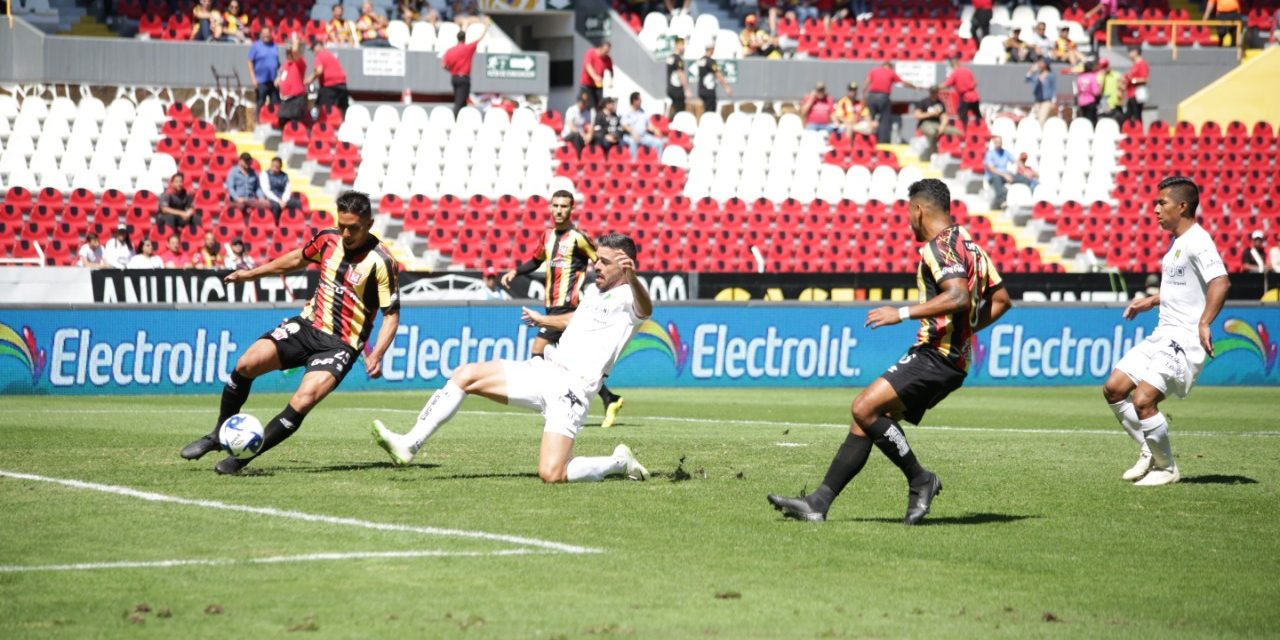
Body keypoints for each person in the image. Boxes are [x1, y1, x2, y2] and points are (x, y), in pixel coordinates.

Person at [767, 179, 1011, 524]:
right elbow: (1001, 301)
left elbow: (958, 296)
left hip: (936, 354)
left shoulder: (938, 248)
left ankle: (921, 479)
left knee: (863, 407)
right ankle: (818, 502)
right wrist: (965, 332)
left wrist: (902, 313)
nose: (908, 221)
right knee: (867, 421)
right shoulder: (970, 247)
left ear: (919, 210)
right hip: (949, 357)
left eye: (908, 213)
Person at [371, 232, 651, 483]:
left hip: (573, 390)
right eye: (597, 260)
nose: (596, 266)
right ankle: (409, 444)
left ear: (625, 265)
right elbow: (577, 319)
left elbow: (646, 309)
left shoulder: (631, 296)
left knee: (552, 474)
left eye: (604, 262)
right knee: (465, 375)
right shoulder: (594, 290)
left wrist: (633, 278)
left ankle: (619, 462)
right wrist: (544, 319)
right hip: (546, 370)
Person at [180, 191, 401, 474]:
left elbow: (391, 315)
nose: (346, 233)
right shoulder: (327, 239)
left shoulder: (382, 262)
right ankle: (217, 434)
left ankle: (240, 459)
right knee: (246, 364)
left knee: (304, 399)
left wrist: (377, 354)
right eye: (341, 225)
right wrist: (251, 274)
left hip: (340, 345)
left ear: (369, 223)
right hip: (306, 326)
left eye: (353, 228)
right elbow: (297, 258)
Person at [1102, 176, 1230, 486]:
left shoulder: (1198, 240)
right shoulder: (1178, 243)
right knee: (1114, 389)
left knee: (1143, 400)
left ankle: (1166, 467)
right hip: (1163, 333)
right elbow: (1186, 288)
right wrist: (1151, 301)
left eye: (1162, 203)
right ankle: (1149, 448)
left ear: (1183, 206)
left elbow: (1220, 281)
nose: (1156, 209)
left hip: (1183, 339)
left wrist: (1204, 323)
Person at [500, 190, 629, 429]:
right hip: (552, 306)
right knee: (572, 363)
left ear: (571, 210)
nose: (559, 211)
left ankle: (550, 401)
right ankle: (609, 398)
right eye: (556, 206)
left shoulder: (579, 238)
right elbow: (536, 260)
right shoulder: (547, 236)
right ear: (551, 208)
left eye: (564, 207)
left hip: (570, 307)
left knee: (538, 350)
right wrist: (515, 272)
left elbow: (600, 260)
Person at [441, 19, 488, 115]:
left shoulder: (450, 50)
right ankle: (455, 120)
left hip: (454, 78)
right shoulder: (467, 48)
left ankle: (460, 119)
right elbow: (479, 39)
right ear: (464, 38)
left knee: (461, 100)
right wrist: (486, 27)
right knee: (460, 102)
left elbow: (443, 65)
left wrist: (451, 70)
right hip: (464, 79)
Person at [864, 60, 915, 144]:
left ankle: (869, 140)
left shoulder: (874, 70)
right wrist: (914, 86)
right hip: (883, 97)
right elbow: (902, 83)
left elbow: (867, 82)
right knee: (884, 120)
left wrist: (863, 94)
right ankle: (882, 141)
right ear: (890, 67)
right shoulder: (890, 72)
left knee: (871, 119)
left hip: (871, 96)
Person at [912, 86, 959, 160]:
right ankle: (932, 154)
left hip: (937, 124)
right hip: (925, 123)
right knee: (932, 132)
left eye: (936, 92)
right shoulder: (924, 102)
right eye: (932, 92)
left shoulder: (940, 103)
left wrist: (942, 126)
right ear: (930, 92)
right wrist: (930, 114)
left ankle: (956, 155)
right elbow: (917, 115)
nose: (934, 94)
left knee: (956, 132)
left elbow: (944, 116)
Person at [984, 135, 1028, 209]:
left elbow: (1016, 161)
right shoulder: (990, 154)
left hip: (1005, 175)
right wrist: (1004, 175)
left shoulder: (1005, 152)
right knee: (996, 178)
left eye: (1000, 142)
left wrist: (1025, 170)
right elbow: (992, 169)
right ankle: (1001, 200)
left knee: (1023, 178)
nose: (999, 143)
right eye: (997, 142)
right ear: (994, 143)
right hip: (994, 176)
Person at [308, 40, 350, 117]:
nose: (313, 52)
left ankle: (326, 125)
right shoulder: (331, 55)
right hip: (342, 85)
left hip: (329, 87)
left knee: (324, 110)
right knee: (342, 110)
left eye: (313, 49)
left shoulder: (320, 56)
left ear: (318, 47)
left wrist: (309, 80)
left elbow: (319, 71)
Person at [225, 152, 272, 221]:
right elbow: (230, 188)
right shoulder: (233, 172)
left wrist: (261, 197)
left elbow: (257, 188)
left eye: (249, 160)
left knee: (268, 204)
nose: (247, 162)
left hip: (250, 199)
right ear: (240, 161)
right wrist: (237, 198)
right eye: (245, 160)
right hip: (237, 200)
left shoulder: (254, 173)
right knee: (241, 206)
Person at [621, 92, 665, 160]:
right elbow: (625, 126)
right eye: (639, 100)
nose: (641, 102)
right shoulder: (626, 112)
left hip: (643, 136)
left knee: (659, 143)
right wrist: (634, 133)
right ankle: (634, 164)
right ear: (634, 101)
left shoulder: (643, 112)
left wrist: (655, 130)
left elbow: (649, 125)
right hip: (630, 136)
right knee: (633, 142)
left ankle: (659, 163)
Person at [247, 28, 280, 117]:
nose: (266, 35)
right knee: (260, 104)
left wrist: (279, 76)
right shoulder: (256, 46)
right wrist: (253, 78)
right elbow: (250, 62)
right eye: (264, 33)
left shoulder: (274, 46)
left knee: (276, 105)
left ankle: (274, 122)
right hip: (261, 81)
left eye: (268, 33)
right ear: (261, 35)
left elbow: (278, 63)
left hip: (273, 81)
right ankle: (259, 122)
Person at [276, 37, 308, 129]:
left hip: (296, 100)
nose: (289, 56)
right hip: (285, 100)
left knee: (294, 125)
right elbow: (282, 75)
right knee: (282, 122)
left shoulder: (299, 63)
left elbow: (295, 51)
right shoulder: (285, 65)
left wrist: (295, 41)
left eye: (291, 54)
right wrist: (278, 80)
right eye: (287, 54)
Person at [260, 157, 300, 223]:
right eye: (274, 166)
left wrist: (283, 201)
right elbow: (266, 191)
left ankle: (294, 222)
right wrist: (279, 201)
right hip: (271, 198)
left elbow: (287, 190)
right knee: (276, 206)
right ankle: (276, 224)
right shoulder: (265, 174)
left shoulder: (285, 176)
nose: (275, 168)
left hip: (283, 199)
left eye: (277, 166)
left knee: (296, 203)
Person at [695, 44, 733, 116]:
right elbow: (718, 74)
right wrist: (726, 86)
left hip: (701, 90)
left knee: (704, 110)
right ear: (711, 50)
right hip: (709, 91)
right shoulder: (711, 61)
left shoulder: (700, 60)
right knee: (710, 112)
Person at [942, 56, 981, 123]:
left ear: (953, 65)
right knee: (977, 115)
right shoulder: (967, 70)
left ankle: (964, 129)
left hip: (966, 97)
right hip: (975, 96)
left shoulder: (955, 73)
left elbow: (946, 84)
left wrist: (936, 87)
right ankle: (981, 128)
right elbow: (975, 82)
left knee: (961, 115)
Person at [580, 41, 613, 115]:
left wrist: (611, 81)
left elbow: (611, 70)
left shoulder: (607, 59)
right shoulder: (590, 53)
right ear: (600, 48)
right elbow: (588, 66)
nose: (606, 53)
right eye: (605, 51)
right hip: (587, 84)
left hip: (598, 85)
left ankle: (599, 119)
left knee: (600, 103)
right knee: (586, 103)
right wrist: (594, 76)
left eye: (608, 52)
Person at [561, 91, 594, 156]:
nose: (584, 104)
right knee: (576, 135)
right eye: (582, 102)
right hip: (569, 134)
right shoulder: (571, 110)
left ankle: (590, 157)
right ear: (577, 102)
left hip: (581, 135)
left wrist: (589, 135)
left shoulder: (587, 112)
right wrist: (582, 135)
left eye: (585, 103)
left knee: (595, 137)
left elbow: (589, 126)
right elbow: (571, 127)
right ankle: (578, 156)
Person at [665, 37, 691, 118]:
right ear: (677, 45)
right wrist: (686, 89)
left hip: (670, 88)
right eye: (682, 45)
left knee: (674, 110)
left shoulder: (670, 57)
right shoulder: (678, 59)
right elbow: (680, 74)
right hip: (677, 90)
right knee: (680, 112)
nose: (683, 47)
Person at [1025, 58, 1057, 124]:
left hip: (1046, 100)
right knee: (1037, 119)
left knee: (1041, 119)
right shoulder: (1037, 75)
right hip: (1037, 100)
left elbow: (1053, 88)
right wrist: (1031, 71)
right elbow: (1027, 79)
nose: (1040, 64)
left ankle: (1041, 133)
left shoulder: (1050, 75)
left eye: (1042, 63)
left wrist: (1053, 101)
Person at [1124, 46, 1149, 124]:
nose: (1129, 54)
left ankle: (1138, 132)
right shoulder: (1135, 64)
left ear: (1135, 52)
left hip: (1136, 94)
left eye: (1130, 52)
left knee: (1137, 115)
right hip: (1131, 93)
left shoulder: (1142, 64)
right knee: (1129, 115)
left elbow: (1145, 79)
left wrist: (1133, 80)